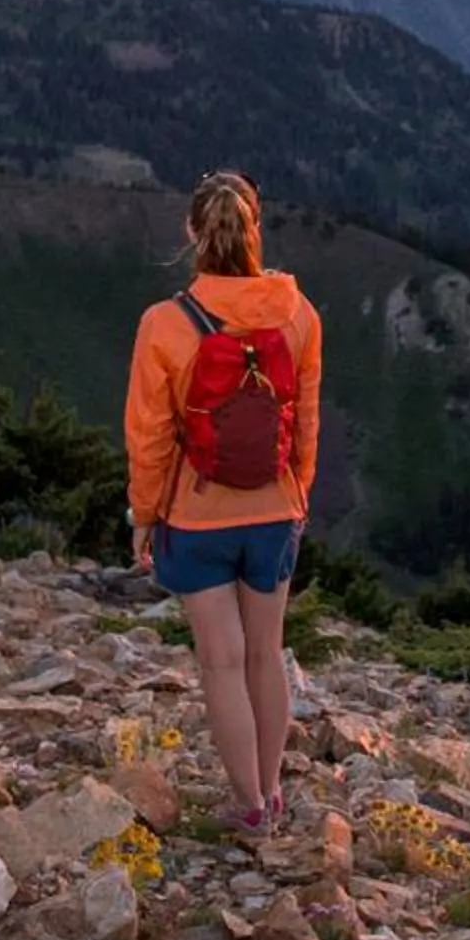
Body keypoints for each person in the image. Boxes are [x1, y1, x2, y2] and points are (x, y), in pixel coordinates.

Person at [124, 170, 322, 834]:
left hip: (196, 514)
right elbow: (305, 420)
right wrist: (299, 492)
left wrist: (144, 515)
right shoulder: (299, 315)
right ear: (255, 229)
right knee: (267, 653)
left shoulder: (164, 324)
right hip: (276, 511)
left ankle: (249, 805)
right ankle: (273, 789)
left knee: (222, 661)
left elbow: (149, 436)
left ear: (192, 232)